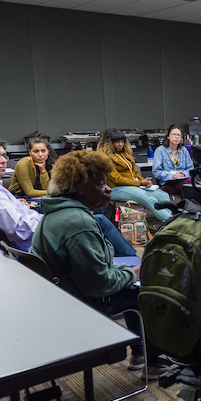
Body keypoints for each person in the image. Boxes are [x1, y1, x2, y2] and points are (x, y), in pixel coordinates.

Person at [30, 150, 168, 379]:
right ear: (79, 187)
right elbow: (100, 285)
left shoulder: (56, 213)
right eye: (101, 184)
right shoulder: (79, 223)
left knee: (132, 283)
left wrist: (125, 273)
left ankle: (141, 354)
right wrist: (132, 273)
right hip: (81, 303)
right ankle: (153, 362)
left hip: (61, 295)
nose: (108, 189)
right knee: (149, 290)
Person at [0, 135, 136, 255]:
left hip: (32, 238)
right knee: (94, 222)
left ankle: (124, 261)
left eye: (4, 155)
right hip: (34, 246)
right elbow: (20, 229)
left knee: (94, 220)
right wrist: (53, 223)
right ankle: (131, 264)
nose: (4, 160)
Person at [97, 128, 171, 222]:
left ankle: (172, 219)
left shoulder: (124, 154)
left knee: (163, 195)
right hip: (116, 189)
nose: (120, 144)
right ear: (109, 143)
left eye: (122, 141)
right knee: (150, 199)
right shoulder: (105, 158)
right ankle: (172, 223)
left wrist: (145, 181)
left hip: (132, 186)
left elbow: (135, 171)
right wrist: (140, 183)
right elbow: (117, 180)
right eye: (117, 142)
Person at [8, 133, 58, 197]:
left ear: (48, 151)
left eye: (43, 151)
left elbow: (46, 189)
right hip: (17, 196)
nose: (40, 155)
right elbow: (29, 192)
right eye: (36, 151)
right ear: (30, 152)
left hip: (36, 197)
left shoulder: (49, 162)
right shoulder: (23, 164)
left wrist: (43, 170)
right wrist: (55, 193)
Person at [153, 124, 193, 196]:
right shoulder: (160, 150)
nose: (176, 137)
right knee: (190, 185)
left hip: (183, 180)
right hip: (167, 183)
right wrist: (173, 175)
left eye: (178, 135)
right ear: (168, 136)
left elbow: (191, 168)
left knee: (194, 185)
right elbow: (157, 172)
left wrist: (183, 174)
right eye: (174, 134)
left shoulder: (184, 150)